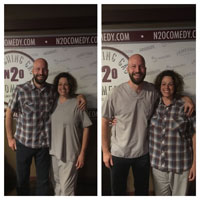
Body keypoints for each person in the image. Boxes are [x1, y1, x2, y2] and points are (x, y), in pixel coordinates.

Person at [102, 54, 194, 196]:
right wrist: (105, 151)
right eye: (133, 66)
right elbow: (104, 120)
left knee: (142, 192)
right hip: (118, 154)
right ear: (127, 69)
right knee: (118, 192)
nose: (137, 70)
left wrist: (187, 99)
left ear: (145, 69)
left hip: (143, 154)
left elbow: (170, 93)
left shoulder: (153, 91)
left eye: (140, 66)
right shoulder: (116, 93)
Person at [5, 58, 85, 195]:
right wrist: (9, 138)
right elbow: (9, 113)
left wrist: (81, 96)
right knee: (22, 181)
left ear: (47, 71)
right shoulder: (20, 90)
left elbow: (67, 94)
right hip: (23, 144)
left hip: (44, 146)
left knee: (43, 182)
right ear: (32, 71)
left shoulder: (52, 90)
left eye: (44, 69)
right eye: (38, 69)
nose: (41, 72)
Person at [149, 70, 196, 196]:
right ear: (159, 86)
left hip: (180, 165)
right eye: (163, 84)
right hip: (158, 166)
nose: (166, 87)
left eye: (170, 84)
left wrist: (195, 165)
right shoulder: (153, 105)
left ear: (176, 86)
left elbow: (195, 134)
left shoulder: (186, 106)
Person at [50, 72, 92, 196]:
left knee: (67, 191)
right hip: (53, 153)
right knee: (57, 186)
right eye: (60, 84)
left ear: (71, 86)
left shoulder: (78, 103)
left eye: (66, 84)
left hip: (70, 154)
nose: (63, 87)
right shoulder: (52, 102)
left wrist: (82, 153)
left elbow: (87, 127)